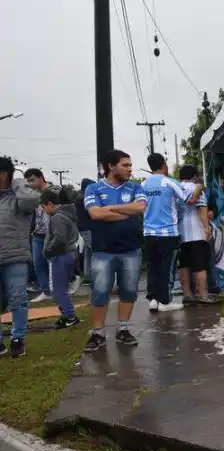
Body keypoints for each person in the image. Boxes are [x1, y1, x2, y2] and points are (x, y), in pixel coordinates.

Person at [83, 150, 147, 352]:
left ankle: (123, 329)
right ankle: (98, 333)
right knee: (100, 291)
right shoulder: (93, 188)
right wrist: (125, 210)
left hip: (131, 249)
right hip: (103, 250)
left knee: (129, 290)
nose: (130, 169)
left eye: (130, 165)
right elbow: (95, 213)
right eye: (125, 165)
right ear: (111, 166)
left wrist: (109, 209)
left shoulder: (136, 187)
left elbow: (140, 208)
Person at [141, 152, 201, 312]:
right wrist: (199, 187)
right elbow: (191, 199)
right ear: (163, 165)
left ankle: (153, 299)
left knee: (153, 267)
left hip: (148, 234)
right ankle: (165, 302)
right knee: (167, 268)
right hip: (168, 234)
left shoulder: (143, 185)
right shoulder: (170, 182)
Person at [0, 157, 39, 358]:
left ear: (5, 174)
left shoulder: (20, 196)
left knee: (18, 299)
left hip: (15, 256)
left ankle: (18, 339)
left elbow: (32, 201)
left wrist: (17, 183)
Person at [40, 188, 81, 329]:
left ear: (50, 204)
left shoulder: (57, 217)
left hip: (61, 255)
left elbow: (59, 238)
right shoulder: (67, 214)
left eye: (43, 207)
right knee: (61, 288)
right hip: (68, 254)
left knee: (58, 289)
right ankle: (66, 314)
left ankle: (70, 315)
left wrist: (48, 249)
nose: (44, 210)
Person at [176, 165, 215, 304]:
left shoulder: (175, 189)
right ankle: (203, 295)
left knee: (184, 265)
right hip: (197, 233)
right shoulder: (196, 189)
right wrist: (207, 228)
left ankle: (187, 295)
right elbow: (202, 209)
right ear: (194, 175)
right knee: (200, 265)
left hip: (180, 233)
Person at [24, 168, 56, 303]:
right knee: (38, 264)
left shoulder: (54, 191)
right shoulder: (33, 195)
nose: (31, 183)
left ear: (41, 177)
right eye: (28, 181)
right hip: (37, 234)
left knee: (53, 263)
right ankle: (46, 291)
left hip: (52, 233)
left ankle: (57, 290)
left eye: (32, 180)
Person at [75, 178, 95, 284]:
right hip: (89, 228)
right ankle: (91, 276)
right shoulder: (85, 198)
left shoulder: (79, 197)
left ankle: (87, 276)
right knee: (93, 252)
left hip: (82, 229)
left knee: (88, 253)